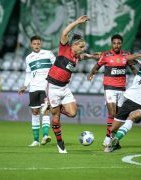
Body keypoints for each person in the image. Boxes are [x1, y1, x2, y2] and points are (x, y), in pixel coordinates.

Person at [45, 15, 90, 153]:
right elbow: (64, 33)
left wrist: (92, 56)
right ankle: (60, 144)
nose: (82, 49)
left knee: (72, 113)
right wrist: (77, 22)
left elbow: (83, 56)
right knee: (56, 119)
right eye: (81, 46)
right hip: (52, 87)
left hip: (64, 88)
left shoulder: (76, 57)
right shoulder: (64, 49)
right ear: (74, 45)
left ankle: (55, 108)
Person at [87, 34, 135, 152]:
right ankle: (108, 139)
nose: (116, 45)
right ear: (111, 44)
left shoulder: (126, 55)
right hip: (109, 87)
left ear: (121, 44)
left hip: (122, 88)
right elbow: (97, 65)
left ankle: (111, 139)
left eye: (119, 43)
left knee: (118, 116)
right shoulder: (106, 55)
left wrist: (138, 76)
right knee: (112, 113)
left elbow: (132, 67)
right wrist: (92, 73)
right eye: (114, 43)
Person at [18, 35, 56, 147]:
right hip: (33, 88)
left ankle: (45, 136)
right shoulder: (28, 58)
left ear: (41, 44)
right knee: (34, 112)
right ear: (31, 45)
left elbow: (56, 67)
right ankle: (36, 140)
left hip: (46, 87)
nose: (36, 46)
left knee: (45, 111)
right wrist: (25, 85)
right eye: (34, 44)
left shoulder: (48, 54)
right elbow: (28, 74)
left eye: (38, 43)